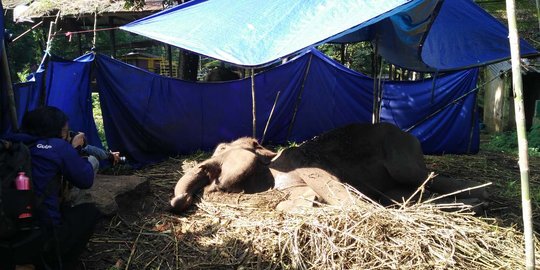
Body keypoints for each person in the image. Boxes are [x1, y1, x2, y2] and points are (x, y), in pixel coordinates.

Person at [1, 106, 102, 269]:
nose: (67, 135)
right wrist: (73, 149)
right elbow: (85, 179)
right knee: (89, 212)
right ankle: (57, 262)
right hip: (40, 237)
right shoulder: (57, 146)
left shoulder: (10, 143)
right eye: (65, 131)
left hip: (7, 233)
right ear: (54, 130)